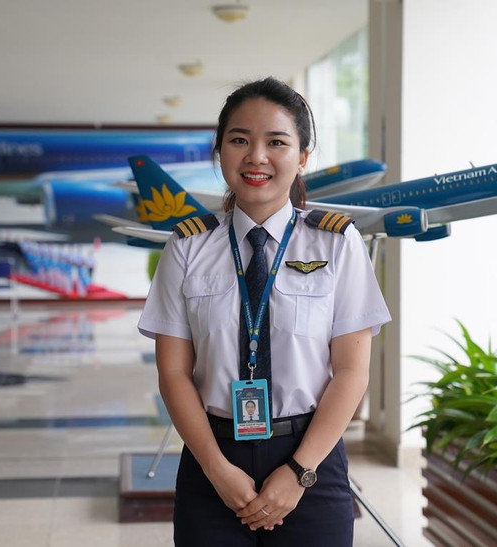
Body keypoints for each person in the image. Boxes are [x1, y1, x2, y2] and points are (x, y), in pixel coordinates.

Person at [138, 77, 391, 547]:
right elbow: (173, 373)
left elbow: (352, 372)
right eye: (239, 140)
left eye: (276, 142)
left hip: (310, 459)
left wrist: (297, 474)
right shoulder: (188, 247)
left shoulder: (336, 243)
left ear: (302, 158)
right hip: (212, 458)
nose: (257, 156)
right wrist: (217, 471)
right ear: (220, 154)